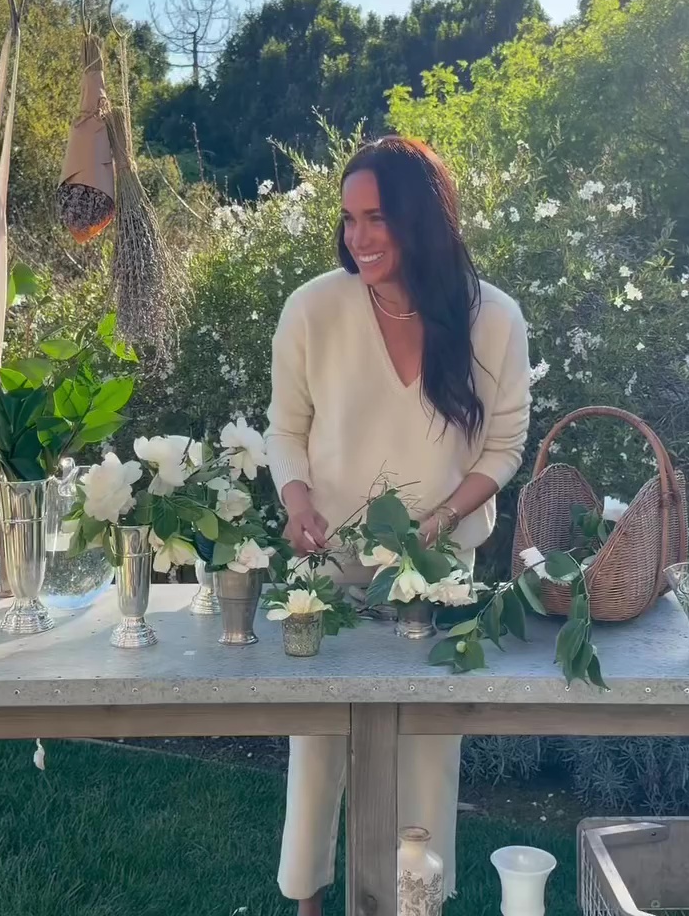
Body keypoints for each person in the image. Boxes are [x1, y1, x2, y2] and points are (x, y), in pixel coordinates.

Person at [264, 135, 531, 916]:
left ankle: (417, 905)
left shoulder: (494, 319)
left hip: (439, 576)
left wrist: (438, 523)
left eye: (378, 217)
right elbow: (285, 428)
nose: (360, 237)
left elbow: (506, 444)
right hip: (329, 567)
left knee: (426, 750)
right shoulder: (313, 309)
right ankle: (309, 903)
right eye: (349, 219)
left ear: (424, 218)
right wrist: (297, 500)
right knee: (316, 748)